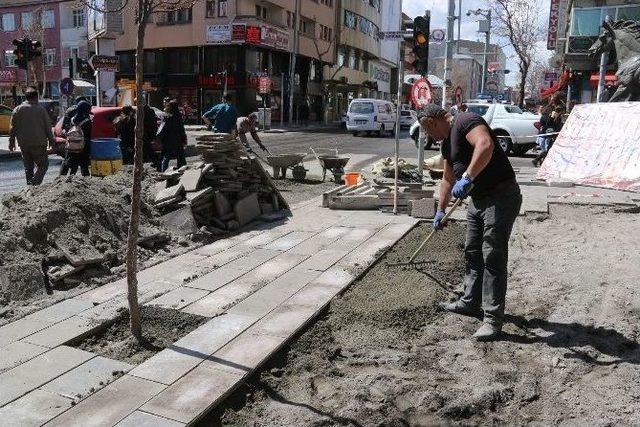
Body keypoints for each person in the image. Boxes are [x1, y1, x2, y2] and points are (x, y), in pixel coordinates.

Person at [420, 104, 522, 341]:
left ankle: (492, 319)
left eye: (428, 131)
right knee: (472, 250)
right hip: (478, 200)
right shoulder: (446, 143)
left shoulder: (465, 120)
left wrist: (468, 176)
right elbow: (447, 179)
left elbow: (485, 144)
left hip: (501, 196)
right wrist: (440, 210)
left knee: (492, 255)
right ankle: (470, 301)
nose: (428, 136)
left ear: (433, 121)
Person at [8, 87, 55, 185]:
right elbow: (48, 127)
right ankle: (34, 184)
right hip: (39, 143)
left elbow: (12, 128)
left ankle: (29, 186)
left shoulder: (17, 109)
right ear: (36, 97)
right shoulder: (41, 110)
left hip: (24, 144)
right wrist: (52, 141)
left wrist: (11, 142)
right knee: (43, 165)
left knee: (28, 167)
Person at [60, 100, 92, 176]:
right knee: (84, 166)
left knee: (69, 163)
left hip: (72, 146)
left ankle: (62, 179)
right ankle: (85, 181)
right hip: (83, 147)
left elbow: (66, 129)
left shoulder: (72, 119)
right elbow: (88, 134)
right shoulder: (87, 121)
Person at [157, 100, 187, 172]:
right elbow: (181, 129)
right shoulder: (178, 116)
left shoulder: (166, 116)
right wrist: (184, 138)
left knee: (166, 156)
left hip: (167, 139)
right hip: (177, 139)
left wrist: (160, 139)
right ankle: (182, 169)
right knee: (180, 155)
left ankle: (163, 171)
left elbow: (162, 128)